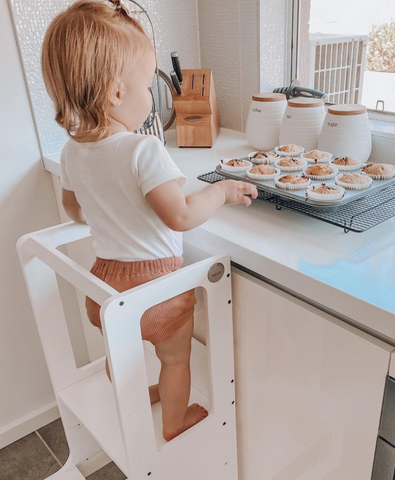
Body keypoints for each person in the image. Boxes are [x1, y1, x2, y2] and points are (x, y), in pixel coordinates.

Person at [41, 0, 257, 441]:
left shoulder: (72, 151)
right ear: (117, 94)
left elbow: (76, 209)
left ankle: (130, 398)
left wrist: (111, 207)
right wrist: (222, 191)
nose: (151, 100)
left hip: (105, 288)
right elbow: (180, 215)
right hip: (155, 290)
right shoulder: (142, 150)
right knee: (175, 358)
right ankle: (174, 423)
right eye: (147, 89)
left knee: (122, 351)